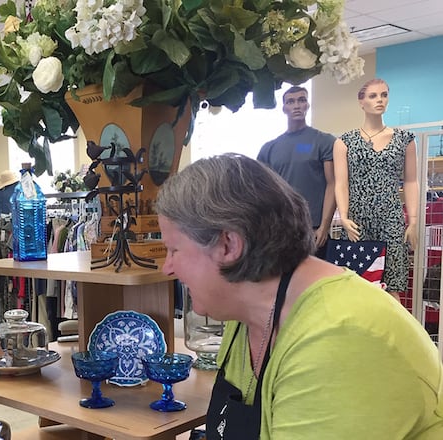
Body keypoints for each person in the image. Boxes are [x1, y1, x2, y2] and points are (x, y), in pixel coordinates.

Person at [156, 153, 442, 440]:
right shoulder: (246, 316)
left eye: (174, 250)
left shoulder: (338, 337)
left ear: (228, 245)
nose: (167, 267)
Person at [333, 78, 420, 301]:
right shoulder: (345, 142)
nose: (379, 100)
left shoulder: (404, 140)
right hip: (357, 220)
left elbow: (410, 181)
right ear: (361, 102)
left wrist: (414, 220)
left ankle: (395, 335)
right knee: (357, 283)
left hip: (391, 218)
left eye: (383, 95)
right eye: (373, 96)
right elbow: (340, 183)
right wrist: (343, 216)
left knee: (392, 286)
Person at [257, 86, 336, 256]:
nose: (297, 105)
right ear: (284, 108)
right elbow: (263, 192)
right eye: (290, 102)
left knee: (316, 280)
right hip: (282, 228)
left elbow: (333, 184)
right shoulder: (269, 149)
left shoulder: (324, 141)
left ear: (308, 105)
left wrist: (324, 226)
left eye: (302, 100)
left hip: (314, 229)